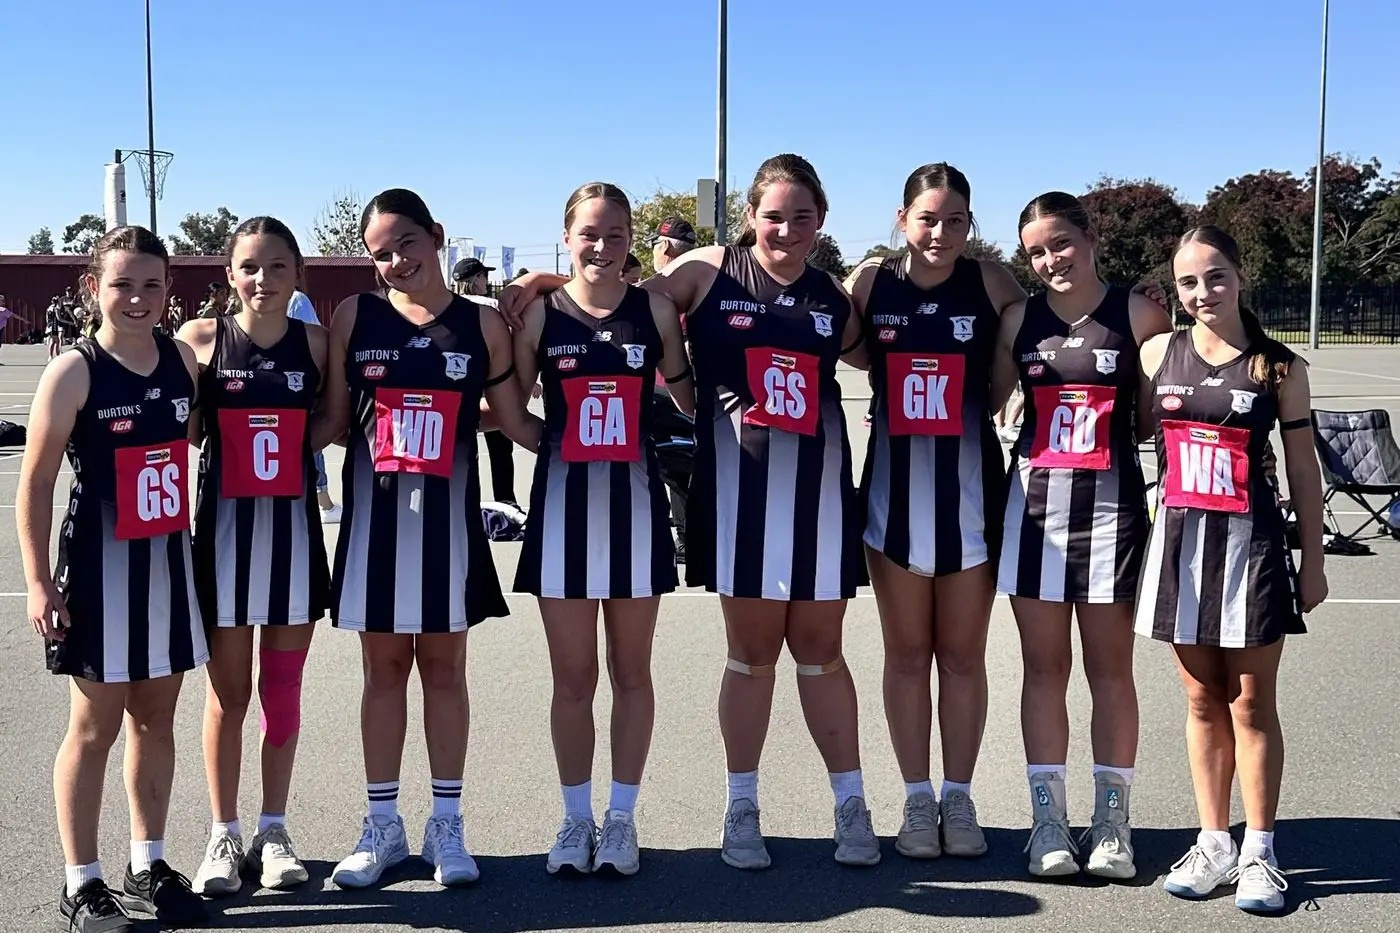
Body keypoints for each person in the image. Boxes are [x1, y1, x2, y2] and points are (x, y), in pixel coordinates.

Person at [504, 154, 876, 870]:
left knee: (824, 655)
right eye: (774, 214)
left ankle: (851, 804)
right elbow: (616, 291)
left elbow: (881, 355)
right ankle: (740, 805)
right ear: (748, 217)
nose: (787, 228)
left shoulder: (833, 294)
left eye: (803, 216)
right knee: (749, 657)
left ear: (821, 221)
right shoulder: (705, 273)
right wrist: (540, 278)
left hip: (820, 500)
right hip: (736, 498)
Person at [317, 188, 540, 889]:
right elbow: (329, 420)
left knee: (445, 672)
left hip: (447, 526)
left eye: (406, 244)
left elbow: (513, 420)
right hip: (374, 527)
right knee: (382, 674)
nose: (394, 261)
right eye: (380, 252)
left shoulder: (483, 326)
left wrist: (599, 447)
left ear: (436, 236)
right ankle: (382, 825)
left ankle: (448, 824)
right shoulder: (355, 315)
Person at [18, 226, 207, 932]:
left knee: (156, 721)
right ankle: (81, 882)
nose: (137, 297)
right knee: (93, 728)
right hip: (99, 574)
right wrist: (39, 582)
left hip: (167, 571)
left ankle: (147, 863)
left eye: (151, 284)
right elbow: (33, 483)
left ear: (169, 292)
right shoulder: (75, 369)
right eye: (122, 282)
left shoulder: (181, 359)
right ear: (92, 287)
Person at [1139, 225, 1327, 913]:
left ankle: (1259, 849)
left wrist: (1315, 558)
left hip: (1253, 551)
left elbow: (1303, 469)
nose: (1203, 292)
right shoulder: (1159, 352)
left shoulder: (1279, 367)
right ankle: (1214, 838)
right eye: (1189, 281)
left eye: (1215, 276)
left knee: (1250, 701)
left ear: (1240, 275)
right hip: (1182, 550)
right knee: (1198, 698)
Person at [512, 183, 693, 876]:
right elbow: (509, 411)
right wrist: (559, 444)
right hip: (561, 517)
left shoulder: (654, 309)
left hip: (637, 515)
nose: (601, 246)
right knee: (571, 679)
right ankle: (574, 817)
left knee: (631, 673)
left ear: (632, 242)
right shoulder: (539, 315)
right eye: (589, 233)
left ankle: (621, 819)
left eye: (616, 234)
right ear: (567, 236)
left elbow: (686, 390)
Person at [990, 191, 1172, 879]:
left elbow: (1154, 419)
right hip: (1035, 516)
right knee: (1043, 669)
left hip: (1113, 515)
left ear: (1091, 236)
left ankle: (1113, 822)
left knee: (1109, 671)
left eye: (1060, 243)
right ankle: (1047, 821)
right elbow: (988, 398)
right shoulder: (1019, 318)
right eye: (1036, 251)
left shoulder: (1140, 311)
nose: (1050, 259)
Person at [846, 163, 1025, 860]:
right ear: (901, 219)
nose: (941, 232)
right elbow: (838, 337)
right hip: (891, 506)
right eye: (927, 218)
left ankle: (959, 793)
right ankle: (916, 797)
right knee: (906, 654)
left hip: (972, 504)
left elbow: (1037, 336)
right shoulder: (871, 280)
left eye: (956, 220)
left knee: (961, 656)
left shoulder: (991, 282)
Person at [177, 218, 331, 896]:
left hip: (293, 543)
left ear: (297, 273)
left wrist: (293, 453)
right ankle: (222, 830)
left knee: (283, 698)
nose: (262, 279)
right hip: (222, 545)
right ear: (229, 274)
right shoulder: (200, 342)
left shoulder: (318, 344)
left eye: (275, 266)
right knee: (226, 697)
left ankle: (274, 828)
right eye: (248, 267)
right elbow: (182, 431)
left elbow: (331, 420)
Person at [647, 217, 698, 563]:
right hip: (695, 391)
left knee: (673, 468)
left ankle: (684, 538)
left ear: (663, 247)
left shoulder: (661, 290)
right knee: (683, 466)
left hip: (665, 391)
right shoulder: (701, 284)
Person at [453, 257, 521, 510]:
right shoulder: (490, 305)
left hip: (462, 382)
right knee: (501, 449)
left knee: (465, 448)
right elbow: (509, 344)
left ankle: (468, 505)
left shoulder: (449, 305)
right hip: (494, 380)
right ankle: (507, 504)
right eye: (483, 276)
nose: (485, 281)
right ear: (475, 280)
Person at [287, 286, 341, 522]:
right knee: (309, 442)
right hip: (297, 382)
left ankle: (323, 500)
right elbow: (316, 340)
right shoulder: (297, 299)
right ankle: (324, 502)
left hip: (289, 382)